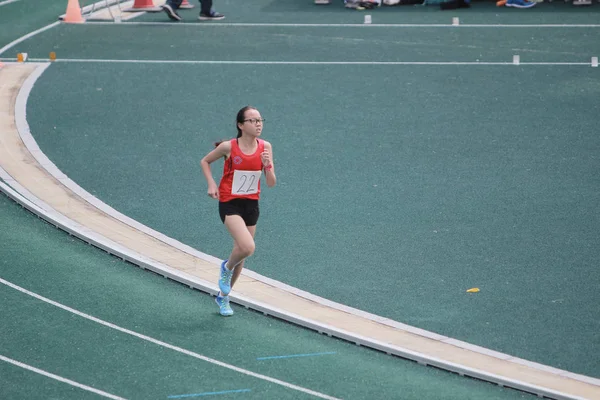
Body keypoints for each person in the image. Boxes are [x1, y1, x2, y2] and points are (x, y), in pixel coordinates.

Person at [200, 106, 276, 316]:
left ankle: (223, 298)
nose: (258, 124)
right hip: (230, 204)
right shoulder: (229, 147)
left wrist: (267, 166)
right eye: (252, 121)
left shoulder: (265, 147)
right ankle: (226, 268)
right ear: (241, 125)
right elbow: (205, 161)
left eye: (260, 120)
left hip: (251, 205)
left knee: (242, 254)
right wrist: (211, 184)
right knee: (247, 246)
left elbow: (271, 183)